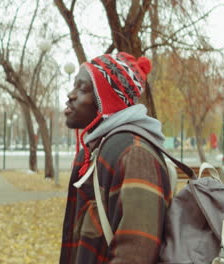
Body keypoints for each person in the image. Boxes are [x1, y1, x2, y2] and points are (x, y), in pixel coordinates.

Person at [59, 52, 172, 263]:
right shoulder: (93, 151)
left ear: (107, 100)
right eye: (74, 86)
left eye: (82, 88)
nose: (70, 95)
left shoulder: (134, 155)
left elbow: (136, 253)